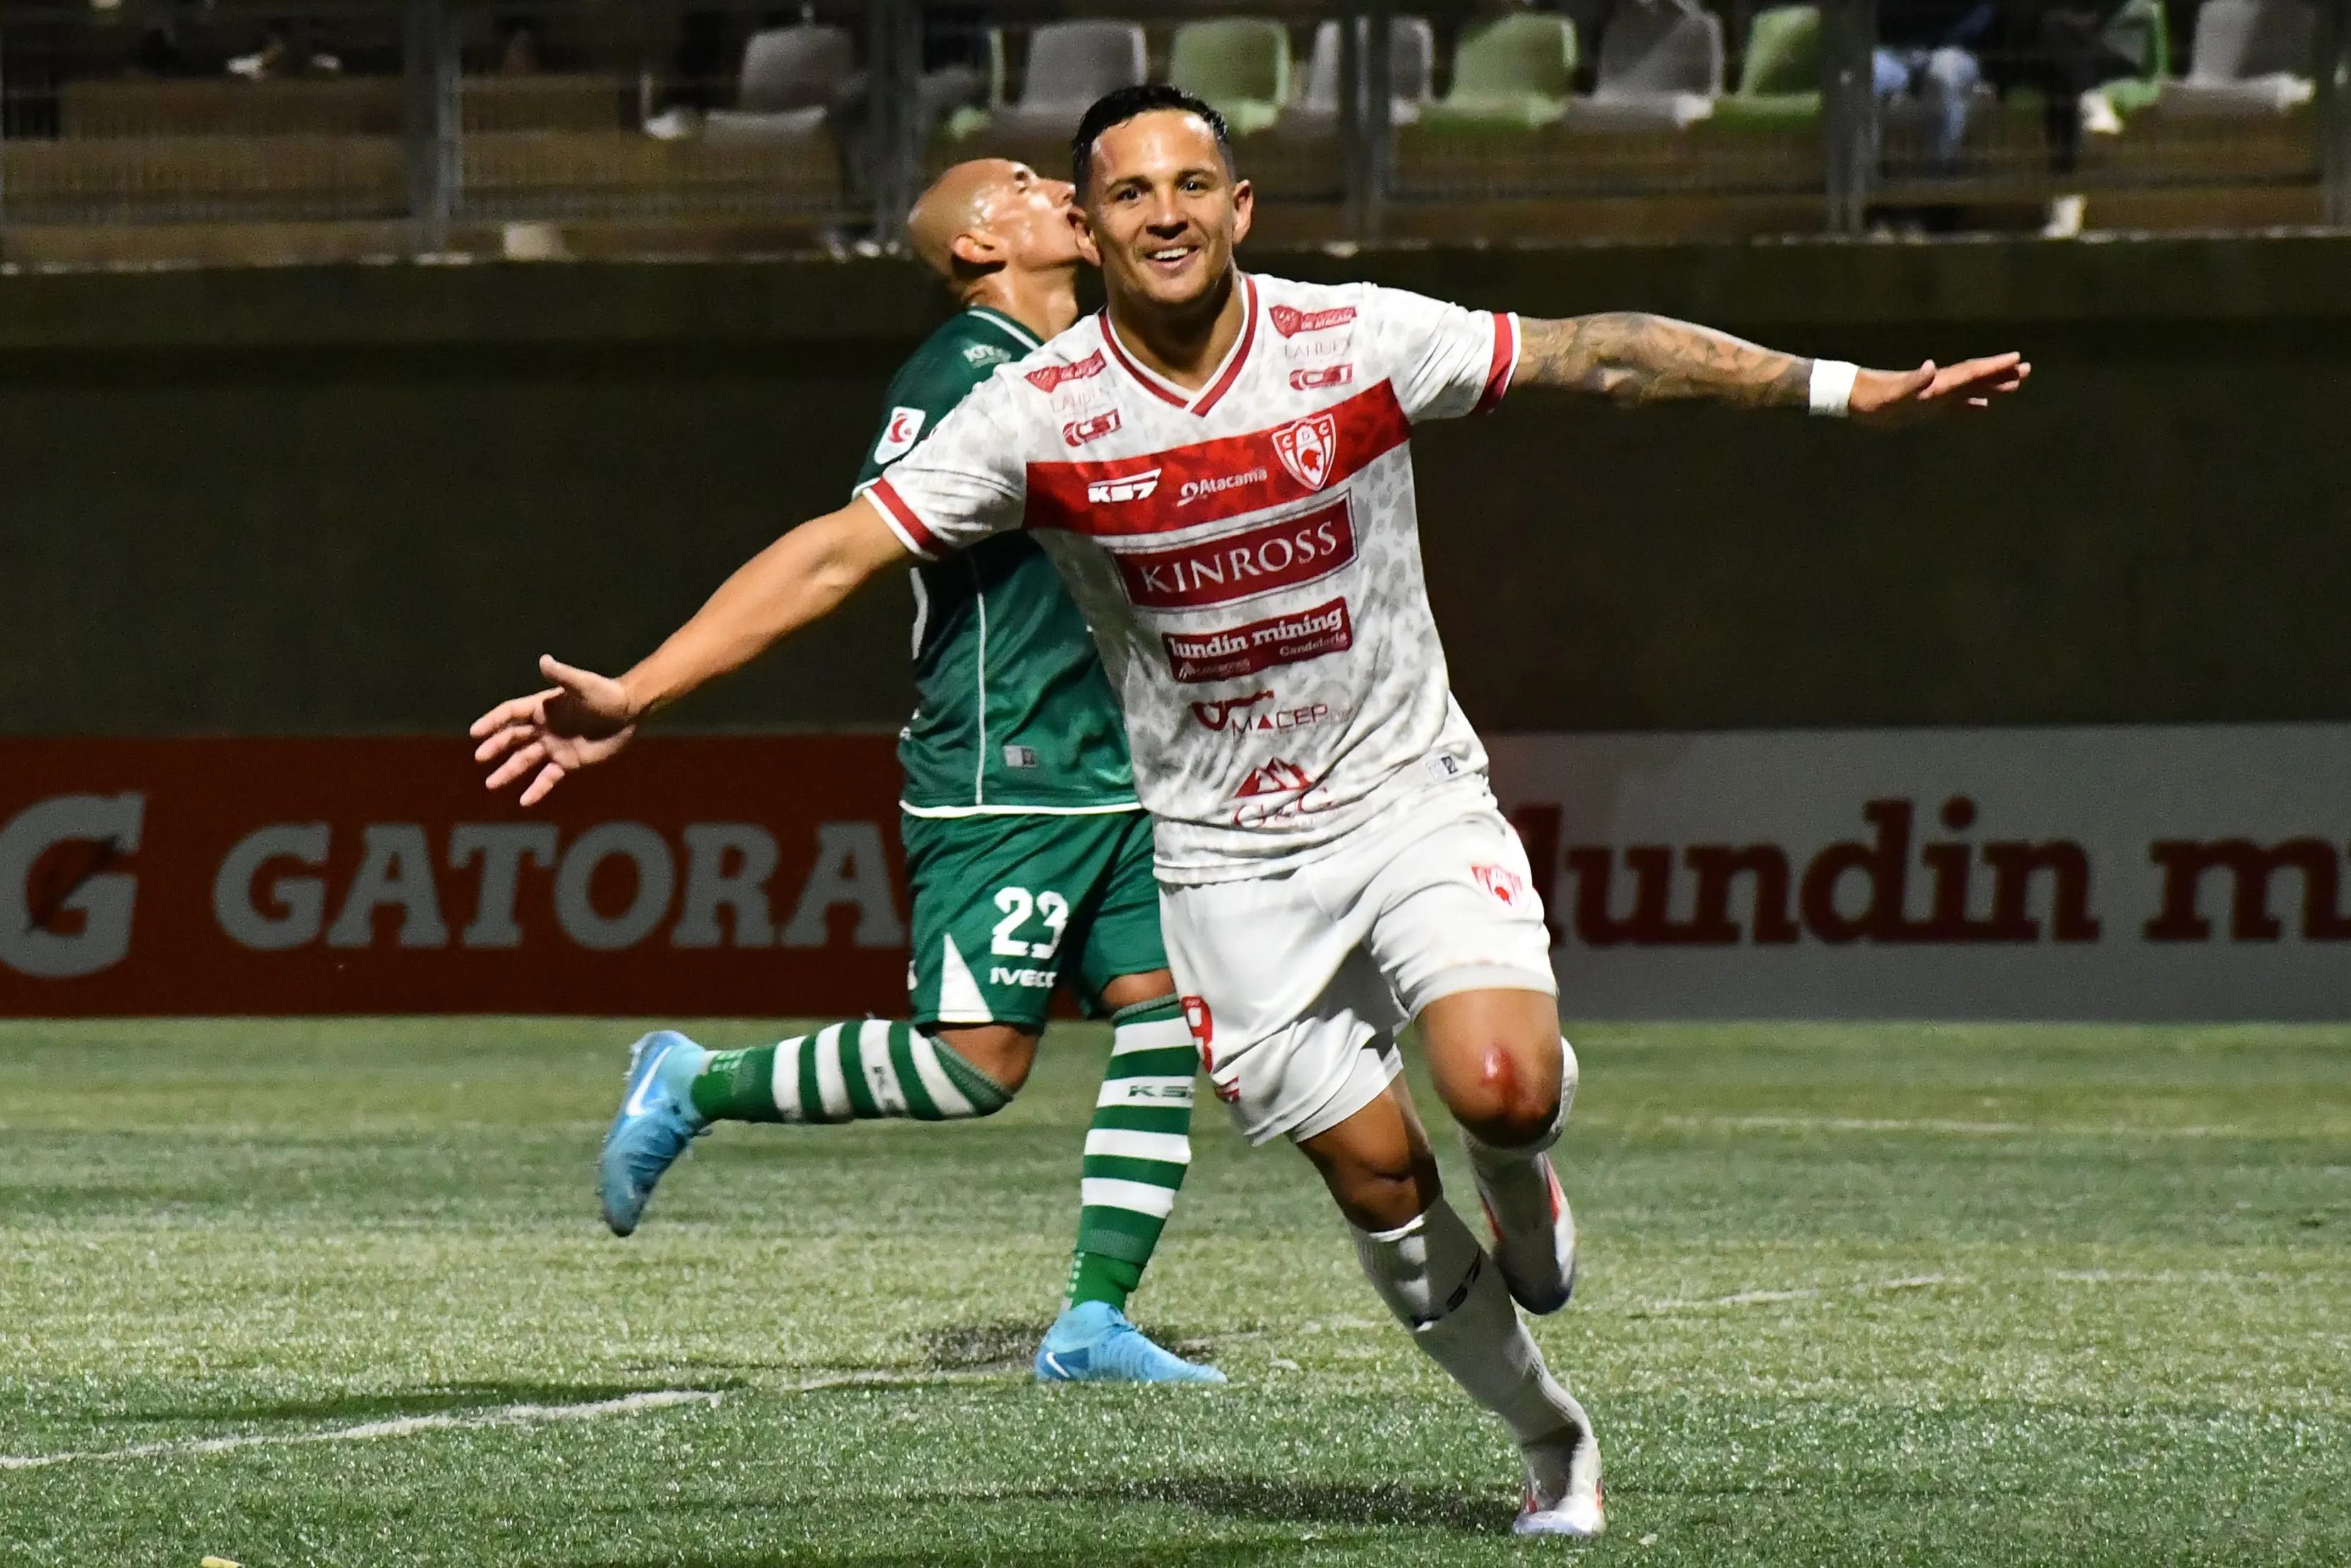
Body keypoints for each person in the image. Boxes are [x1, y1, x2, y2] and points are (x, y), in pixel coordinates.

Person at [470, 84, 2028, 1536]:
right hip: (1221, 859)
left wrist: (1844, 389)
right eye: (1126, 190)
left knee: (1495, 1087)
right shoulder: (1036, 413)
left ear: (1241, 208)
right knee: (1364, 1171)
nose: (1162, 212)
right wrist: (641, 690)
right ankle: (1553, 1440)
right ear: (1089, 222)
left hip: (1407, 800)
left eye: (1191, 184)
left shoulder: (1354, 342)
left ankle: (1516, 1169)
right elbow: (832, 554)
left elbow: (1592, 352)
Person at [575, 158, 1224, 1387]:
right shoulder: (960, 377)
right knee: (974, 1066)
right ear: (980, 246)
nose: (1059, 189)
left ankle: (1091, 1323)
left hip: (1122, 762)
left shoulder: (1096, 357)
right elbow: (841, 556)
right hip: (1006, 767)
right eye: (1026, 184)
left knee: (1160, 1015)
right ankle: (695, 1078)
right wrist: (643, 689)